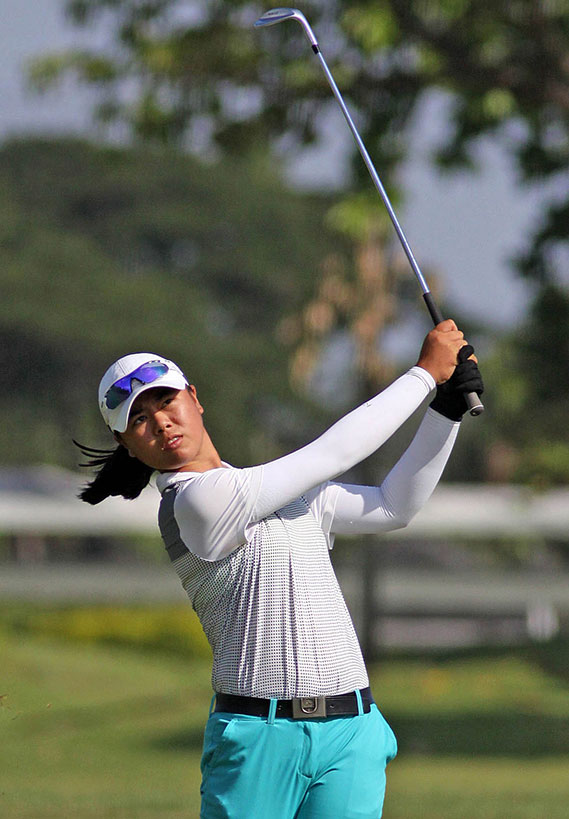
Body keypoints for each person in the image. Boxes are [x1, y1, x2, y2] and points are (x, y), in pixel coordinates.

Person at [78, 320, 483, 819]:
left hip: (350, 731)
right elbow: (332, 454)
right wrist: (424, 376)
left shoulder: (276, 492)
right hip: (257, 741)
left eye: (165, 401)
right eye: (138, 419)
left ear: (194, 398)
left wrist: (444, 412)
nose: (160, 422)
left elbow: (393, 506)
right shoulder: (193, 503)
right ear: (126, 444)